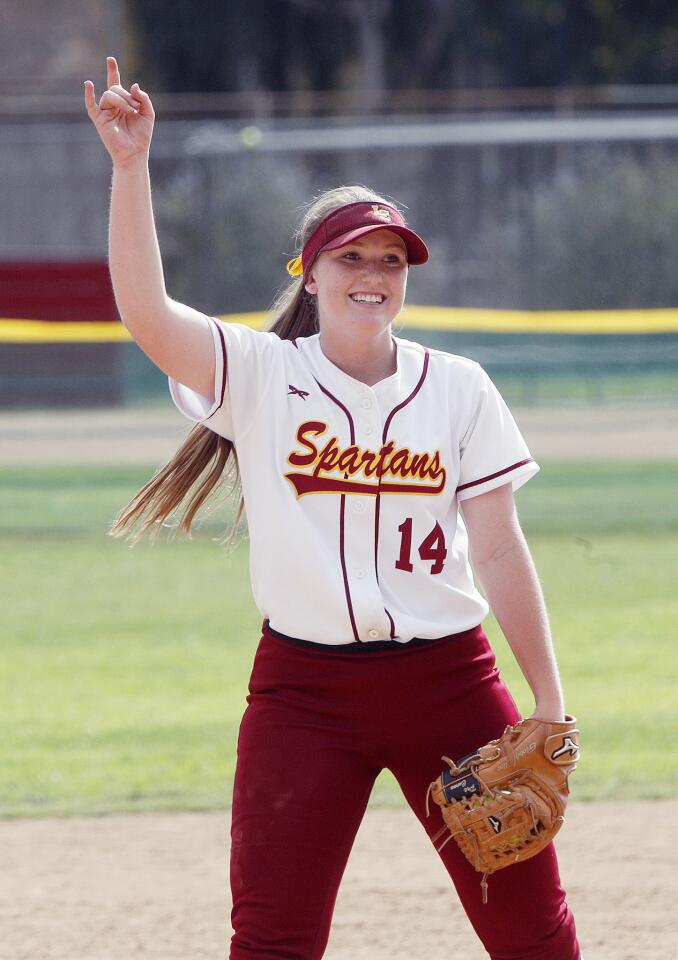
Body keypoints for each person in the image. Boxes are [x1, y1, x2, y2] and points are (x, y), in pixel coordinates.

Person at [85, 57, 583, 960]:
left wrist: (547, 696)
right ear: (309, 274)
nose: (374, 273)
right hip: (304, 693)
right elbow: (147, 314)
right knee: (273, 939)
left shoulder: (458, 388)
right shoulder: (262, 378)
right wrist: (130, 169)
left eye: (389, 260)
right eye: (351, 256)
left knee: (532, 932)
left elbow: (500, 548)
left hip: (449, 683)